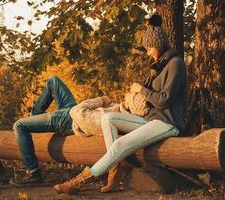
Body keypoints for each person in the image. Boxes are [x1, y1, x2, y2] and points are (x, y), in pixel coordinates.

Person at [53, 14, 187, 194]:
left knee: (120, 145)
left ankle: (79, 181)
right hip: (150, 119)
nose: (148, 53)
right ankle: (116, 169)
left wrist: (142, 90)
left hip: (168, 123)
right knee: (108, 118)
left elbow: (164, 100)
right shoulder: (159, 66)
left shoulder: (176, 64)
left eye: (149, 49)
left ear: (158, 45)